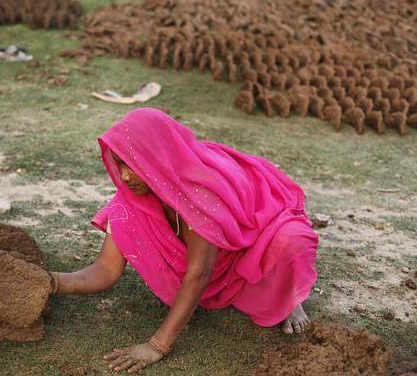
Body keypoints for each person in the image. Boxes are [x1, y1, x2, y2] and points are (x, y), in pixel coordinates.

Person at [48, 108, 319, 373]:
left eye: (132, 165)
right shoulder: (130, 202)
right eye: (119, 165)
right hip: (209, 262)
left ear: (157, 158)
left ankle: (290, 296)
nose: (125, 176)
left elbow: (199, 274)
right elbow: (105, 270)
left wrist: (157, 346)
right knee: (202, 283)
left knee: (291, 242)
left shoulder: (200, 196)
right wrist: (52, 282)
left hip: (251, 241)